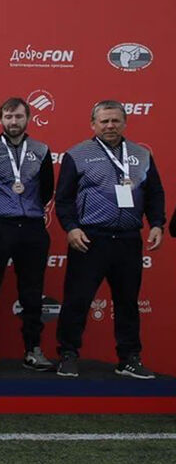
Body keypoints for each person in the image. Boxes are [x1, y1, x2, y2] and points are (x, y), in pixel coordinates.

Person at [55, 100, 164, 379]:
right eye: (104, 121)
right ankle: (68, 354)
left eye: (115, 120)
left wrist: (157, 224)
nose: (110, 126)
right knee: (77, 300)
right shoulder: (77, 154)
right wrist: (71, 228)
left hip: (128, 240)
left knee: (127, 302)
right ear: (93, 124)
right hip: (90, 239)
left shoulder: (142, 154)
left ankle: (129, 359)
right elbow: (63, 199)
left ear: (125, 123)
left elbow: (154, 193)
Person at [0, 97, 55, 371]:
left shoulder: (41, 150)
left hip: (31, 227)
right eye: (8, 117)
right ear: (0, 119)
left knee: (32, 291)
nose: (14, 121)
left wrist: (28, 209)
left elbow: (47, 190)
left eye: (18, 116)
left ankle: (33, 349)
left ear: (27, 118)